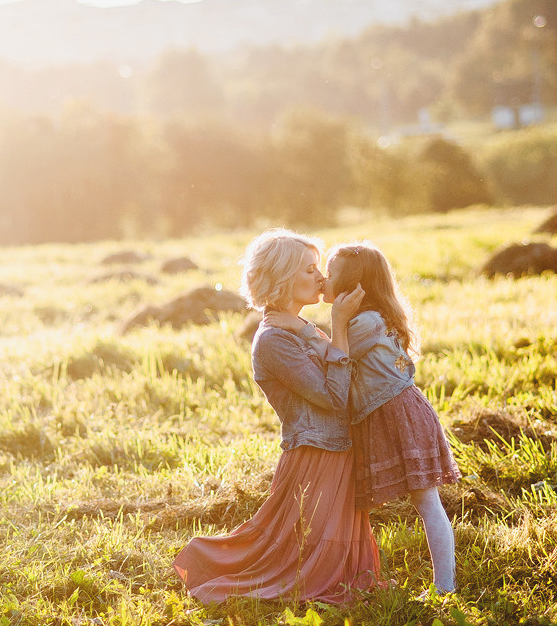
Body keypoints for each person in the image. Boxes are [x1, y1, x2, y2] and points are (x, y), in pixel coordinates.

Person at [173, 228, 383, 603]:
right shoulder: (273, 341)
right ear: (283, 278)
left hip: (339, 449)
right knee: (301, 559)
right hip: (316, 455)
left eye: (319, 268)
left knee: (330, 555)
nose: (321, 278)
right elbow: (333, 397)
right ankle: (212, 565)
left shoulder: (301, 327)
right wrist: (338, 327)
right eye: (309, 270)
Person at [267, 240, 461, 594]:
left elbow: (334, 357)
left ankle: (445, 587)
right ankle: (362, 568)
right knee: (420, 501)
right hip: (389, 414)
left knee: (426, 500)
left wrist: (302, 328)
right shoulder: (365, 320)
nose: (323, 279)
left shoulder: (365, 323)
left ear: (354, 287)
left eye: (332, 274)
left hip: (397, 416)